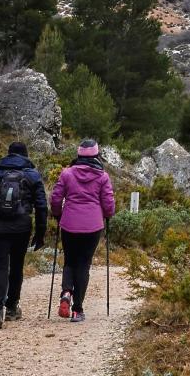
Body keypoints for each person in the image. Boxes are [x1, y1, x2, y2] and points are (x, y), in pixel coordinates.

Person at [0, 141, 48, 330]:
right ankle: (12, 308)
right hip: (21, 229)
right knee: (16, 267)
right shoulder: (32, 175)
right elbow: (41, 207)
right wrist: (40, 235)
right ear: (26, 155)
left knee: (0, 269)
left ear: (8, 154)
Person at [49, 138, 116, 322]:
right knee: (84, 264)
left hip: (69, 223)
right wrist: (108, 214)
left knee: (69, 260)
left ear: (78, 155)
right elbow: (108, 203)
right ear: (97, 155)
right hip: (92, 226)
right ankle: (77, 310)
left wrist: (58, 214)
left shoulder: (67, 173)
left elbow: (56, 198)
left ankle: (66, 292)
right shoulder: (102, 176)